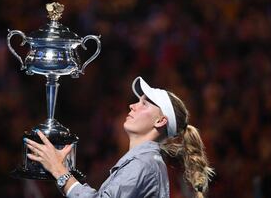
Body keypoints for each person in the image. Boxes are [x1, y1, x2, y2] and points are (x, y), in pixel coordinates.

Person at [24, 76, 214, 198]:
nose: (133, 105)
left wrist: (60, 172)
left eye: (145, 104)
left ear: (160, 121)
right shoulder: (146, 162)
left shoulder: (144, 164)